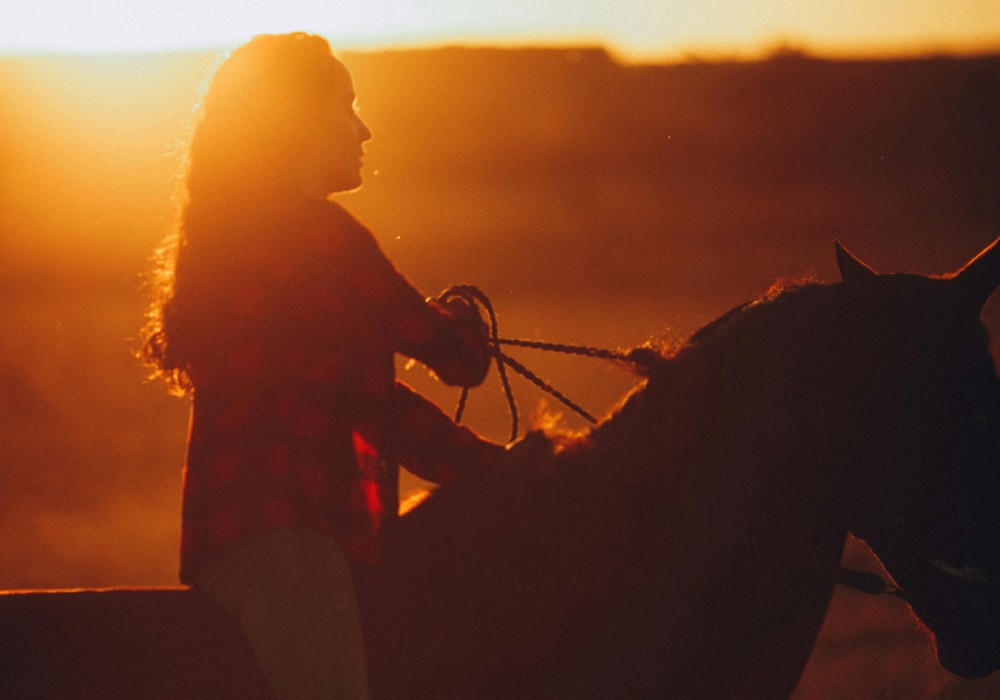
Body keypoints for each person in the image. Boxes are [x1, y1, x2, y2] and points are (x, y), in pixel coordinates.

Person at [140, 32, 505, 699]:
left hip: (238, 539)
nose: (363, 130)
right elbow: (452, 357)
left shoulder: (238, 238)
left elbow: (366, 403)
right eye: (346, 108)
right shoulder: (317, 236)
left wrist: (484, 466)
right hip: (288, 539)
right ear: (298, 120)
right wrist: (465, 327)